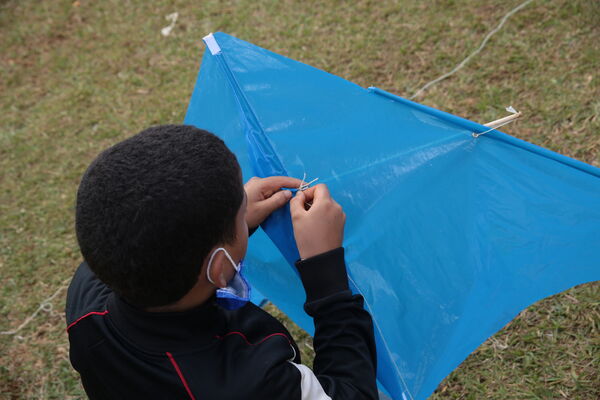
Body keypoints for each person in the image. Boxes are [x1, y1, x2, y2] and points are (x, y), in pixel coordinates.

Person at [66, 124, 378, 399]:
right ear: (219, 268)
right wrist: (325, 270)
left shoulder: (86, 299)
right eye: (240, 215)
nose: (245, 210)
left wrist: (228, 222)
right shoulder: (254, 382)